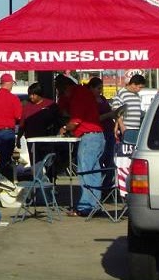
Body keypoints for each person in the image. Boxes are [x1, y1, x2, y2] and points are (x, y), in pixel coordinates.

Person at [58, 75, 105, 217]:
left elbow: (76, 121)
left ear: (66, 88)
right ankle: (95, 204)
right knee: (94, 172)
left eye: (61, 92)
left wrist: (65, 128)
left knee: (85, 172)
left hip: (89, 137)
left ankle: (86, 206)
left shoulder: (78, 95)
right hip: (98, 136)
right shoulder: (83, 93)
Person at [18, 82, 63, 173]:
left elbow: (59, 120)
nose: (31, 97)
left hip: (48, 140)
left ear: (39, 94)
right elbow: (22, 124)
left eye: (34, 94)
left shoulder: (51, 105)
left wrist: (61, 130)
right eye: (30, 94)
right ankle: (38, 183)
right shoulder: (27, 106)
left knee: (49, 162)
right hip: (32, 141)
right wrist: (18, 138)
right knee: (35, 164)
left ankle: (50, 181)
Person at [88, 76, 118, 191]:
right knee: (100, 160)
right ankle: (98, 187)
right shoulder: (90, 101)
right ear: (91, 88)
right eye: (98, 88)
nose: (100, 91)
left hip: (109, 130)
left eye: (101, 88)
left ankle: (107, 186)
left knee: (110, 161)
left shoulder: (103, 99)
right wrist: (108, 115)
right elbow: (94, 118)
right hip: (99, 131)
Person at [112, 74, 146, 140]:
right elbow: (116, 111)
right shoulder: (121, 93)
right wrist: (121, 126)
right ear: (133, 84)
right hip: (126, 129)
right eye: (140, 87)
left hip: (136, 129)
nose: (140, 89)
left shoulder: (137, 95)